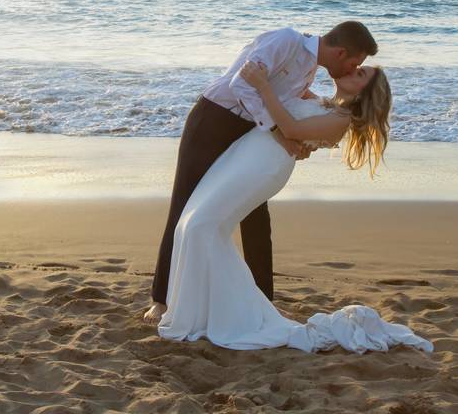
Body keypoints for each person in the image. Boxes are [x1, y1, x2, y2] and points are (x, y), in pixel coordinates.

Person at [156, 61, 433, 354]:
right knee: (196, 223)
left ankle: (220, 315)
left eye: (360, 73)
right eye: (355, 65)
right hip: (246, 154)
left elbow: (289, 127)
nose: (352, 69)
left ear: (366, 91)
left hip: (264, 166)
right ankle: (206, 311)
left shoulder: (340, 120)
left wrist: (261, 85)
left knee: (203, 226)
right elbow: (286, 94)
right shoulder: (324, 102)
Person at [144, 22, 378, 323]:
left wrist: (305, 137)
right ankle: (161, 299)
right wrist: (281, 133)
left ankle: (263, 300)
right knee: (184, 202)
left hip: (250, 131)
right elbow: (240, 85)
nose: (352, 68)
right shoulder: (285, 41)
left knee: (256, 214)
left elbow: (288, 103)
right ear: (341, 51)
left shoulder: (309, 66)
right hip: (214, 120)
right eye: (354, 63)